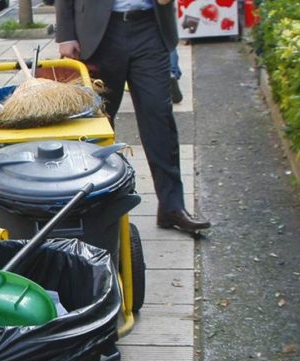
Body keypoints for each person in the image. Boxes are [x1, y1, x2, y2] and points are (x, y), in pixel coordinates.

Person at [55, 0, 210, 233]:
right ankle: (94, 206)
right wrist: (66, 34)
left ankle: (172, 207)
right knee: (99, 122)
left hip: (150, 27)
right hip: (99, 34)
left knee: (158, 116)